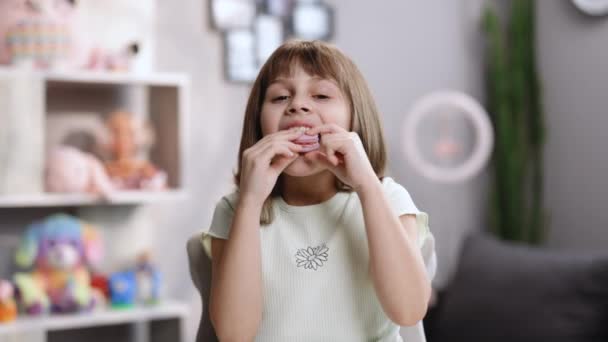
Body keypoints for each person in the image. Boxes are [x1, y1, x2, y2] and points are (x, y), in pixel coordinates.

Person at [202, 40, 437, 342]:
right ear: (260, 125)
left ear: (355, 119)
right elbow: (234, 335)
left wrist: (367, 186)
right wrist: (250, 200)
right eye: (280, 96)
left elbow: (408, 311)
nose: (297, 105)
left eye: (322, 95)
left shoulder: (387, 198)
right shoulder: (235, 209)